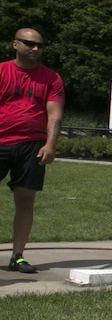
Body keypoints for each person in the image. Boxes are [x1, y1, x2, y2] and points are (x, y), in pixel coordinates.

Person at [1, 28, 64, 273]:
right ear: (15, 44)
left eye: (39, 45)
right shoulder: (3, 71)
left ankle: (17, 255)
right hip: (1, 141)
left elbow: (54, 113)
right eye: (29, 43)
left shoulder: (51, 78)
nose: (35, 48)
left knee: (25, 200)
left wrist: (50, 144)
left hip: (31, 145)